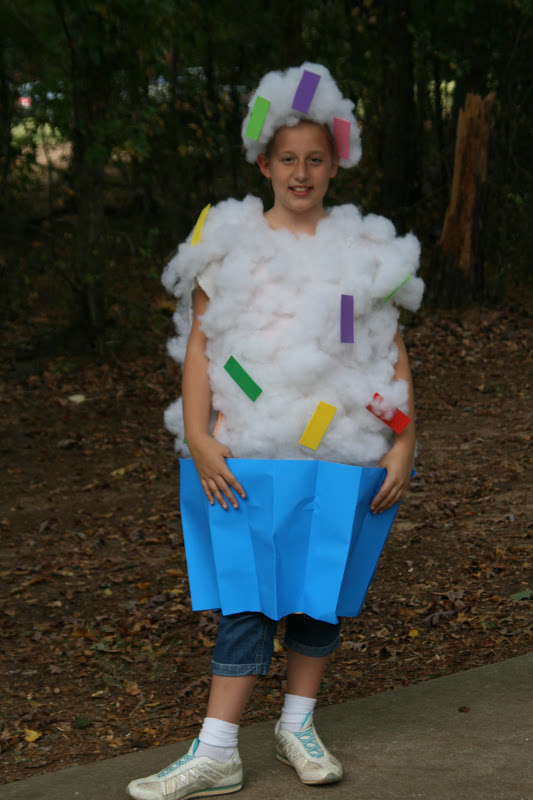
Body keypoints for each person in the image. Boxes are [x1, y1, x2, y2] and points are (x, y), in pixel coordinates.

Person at [127, 63, 423, 800]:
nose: (300, 172)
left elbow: (385, 351)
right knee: (248, 597)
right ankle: (217, 748)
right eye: (286, 158)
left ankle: (297, 723)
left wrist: (404, 440)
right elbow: (200, 346)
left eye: (314, 159)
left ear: (334, 165)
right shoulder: (225, 246)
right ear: (263, 163)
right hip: (247, 450)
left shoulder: (360, 253)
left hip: (340, 452)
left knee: (318, 594)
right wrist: (197, 435)